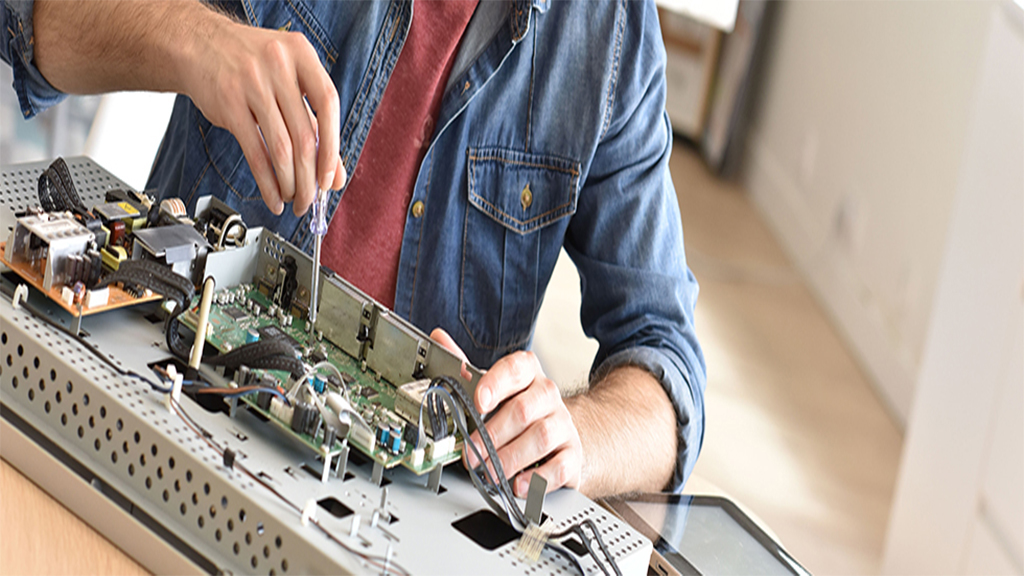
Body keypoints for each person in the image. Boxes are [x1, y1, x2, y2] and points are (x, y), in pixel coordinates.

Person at [2, 0, 706, 499]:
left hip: (392, 511)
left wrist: (575, 435)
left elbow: (666, 371)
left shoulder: (611, 34)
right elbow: (33, 23)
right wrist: (193, 39)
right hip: (161, 413)